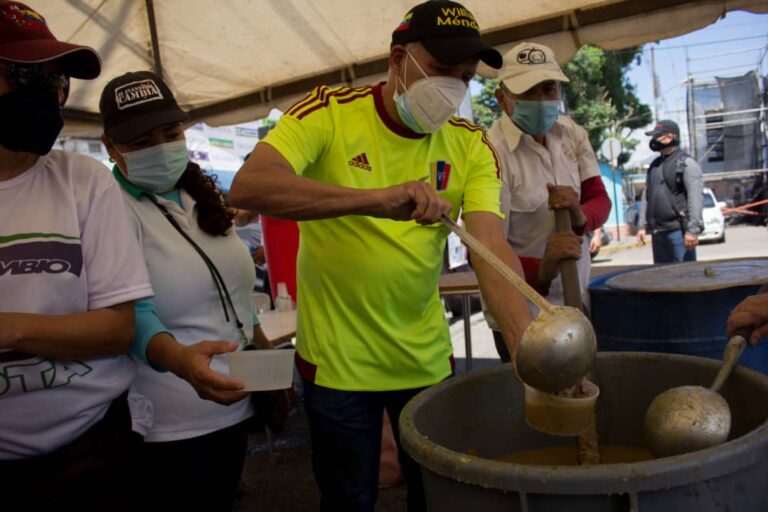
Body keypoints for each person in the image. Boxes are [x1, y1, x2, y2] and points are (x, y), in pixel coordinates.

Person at [229, 2, 533, 510]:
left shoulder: (470, 143)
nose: (453, 89)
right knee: (349, 498)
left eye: (464, 77)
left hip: (424, 358)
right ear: (398, 60)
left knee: (436, 497)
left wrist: (526, 348)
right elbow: (251, 186)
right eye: (440, 71)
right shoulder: (328, 111)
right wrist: (375, 199)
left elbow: (489, 245)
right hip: (338, 367)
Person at [0, 2, 154, 509]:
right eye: (26, 75)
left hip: (92, 453)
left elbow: (115, 329)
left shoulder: (80, 179)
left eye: (56, 81)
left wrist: (8, 328)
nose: (49, 96)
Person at [99, 70, 273, 511]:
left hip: (234, 403)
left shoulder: (198, 196)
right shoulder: (108, 208)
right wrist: (180, 363)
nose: (160, 147)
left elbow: (236, 297)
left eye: (170, 132)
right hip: (167, 419)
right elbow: (132, 310)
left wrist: (267, 360)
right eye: (140, 141)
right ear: (110, 148)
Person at [483, 42, 611, 362]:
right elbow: (488, 250)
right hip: (523, 314)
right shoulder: (490, 153)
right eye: (529, 91)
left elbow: (599, 198)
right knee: (538, 404)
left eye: (549, 88)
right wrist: (544, 268)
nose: (542, 100)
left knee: (581, 392)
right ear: (503, 98)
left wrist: (581, 215)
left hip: (574, 302)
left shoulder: (572, 134)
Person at [637, 120, 703, 263]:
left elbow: (695, 197)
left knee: (685, 278)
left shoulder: (686, 164)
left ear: (669, 137)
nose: (653, 140)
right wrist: (642, 225)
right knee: (663, 280)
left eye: (657, 136)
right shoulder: (654, 166)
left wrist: (693, 230)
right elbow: (646, 197)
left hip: (678, 232)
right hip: (658, 233)